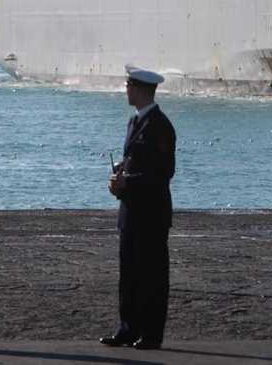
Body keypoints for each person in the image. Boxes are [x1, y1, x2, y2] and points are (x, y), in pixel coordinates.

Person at [101, 65, 176, 350]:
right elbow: (137, 162)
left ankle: (151, 334)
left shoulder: (160, 125)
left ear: (142, 89)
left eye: (129, 86)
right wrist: (121, 173)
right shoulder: (135, 122)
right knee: (129, 274)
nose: (126, 90)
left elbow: (164, 172)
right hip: (131, 212)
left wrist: (126, 183)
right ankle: (128, 328)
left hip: (151, 215)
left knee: (152, 276)